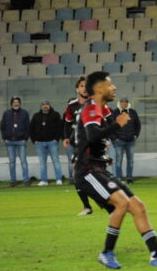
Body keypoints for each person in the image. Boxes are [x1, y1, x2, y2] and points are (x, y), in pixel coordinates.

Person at [75, 71, 157, 268]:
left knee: (138, 207)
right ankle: (107, 253)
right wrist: (116, 125)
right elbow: (91, 135)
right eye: (110, 84)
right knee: (122, 205)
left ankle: (156, 255)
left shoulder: (103, 109)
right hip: (88, 171)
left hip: (99, 168)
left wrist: (105, 142)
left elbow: (94, 137)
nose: (114, 87)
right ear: (99, 89)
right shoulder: (90, 108)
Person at [64, 76, 94, 215]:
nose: (84, 88)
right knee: (77, 175)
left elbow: (106, 121)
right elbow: (67, 123)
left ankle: (111, 202)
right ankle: (87, 206)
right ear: (77, 89)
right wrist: (66, 137)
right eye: (81, 86)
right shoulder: (72, 106)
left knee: (95, 174)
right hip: (78, 145)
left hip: (93, 143)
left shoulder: (96, 103)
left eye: (86, 86)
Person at [30, 100, 64, 186]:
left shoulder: (56, 115)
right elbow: (31, 129)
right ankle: (44, 180)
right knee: (42, 162)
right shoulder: (36, 116)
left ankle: (59, 179)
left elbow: (60, 128)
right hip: (40, 143)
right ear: (41, 106)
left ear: (50, 106)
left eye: (47, 105)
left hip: (52, 142)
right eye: (43, 105)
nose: (45, 106)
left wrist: (56, 139)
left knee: (56, 161)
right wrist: (34, 140)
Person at [0, 97, 31, 187]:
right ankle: (13, 181)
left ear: (20, 103)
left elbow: (28, 127)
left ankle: (26, 180)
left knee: (23, 161)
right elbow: (2, 126)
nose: (16, 103)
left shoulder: (24, 113)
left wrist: (25, 138)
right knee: (12, 162)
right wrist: (4, 138)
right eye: (14, 102)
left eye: (17, 102)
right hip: (9, 141)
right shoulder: (6, 113)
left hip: (21, 141)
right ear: (11, 103)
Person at [112, 97, 141, 184]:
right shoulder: (115, 112)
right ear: (119, 103)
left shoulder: (132, 112)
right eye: (122, 102)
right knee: (118, 160)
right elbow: (110, 126)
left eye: (126, 102)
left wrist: (135, 135)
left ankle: (129, 178)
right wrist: (115, 138)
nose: (124, 103)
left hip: (130, 141)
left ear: (128, 103)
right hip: (119, 141)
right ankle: (119, 178)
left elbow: (138, 125)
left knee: (130, 160)